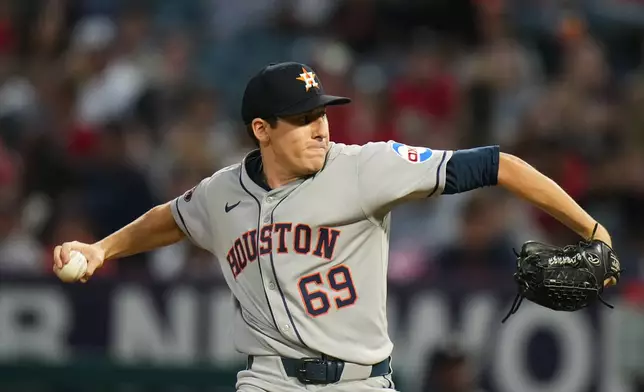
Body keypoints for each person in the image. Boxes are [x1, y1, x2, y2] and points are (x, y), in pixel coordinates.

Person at [52, 62, 615, 392]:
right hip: (268, 379)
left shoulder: (367, 167)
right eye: (302, 120)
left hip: (360, 382)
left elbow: (501, 165)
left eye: (322, 113)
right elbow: (170, 219)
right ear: (261, 130)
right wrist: (102, 250)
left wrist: (594, 231)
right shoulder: (223, 192)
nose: (321, 127)